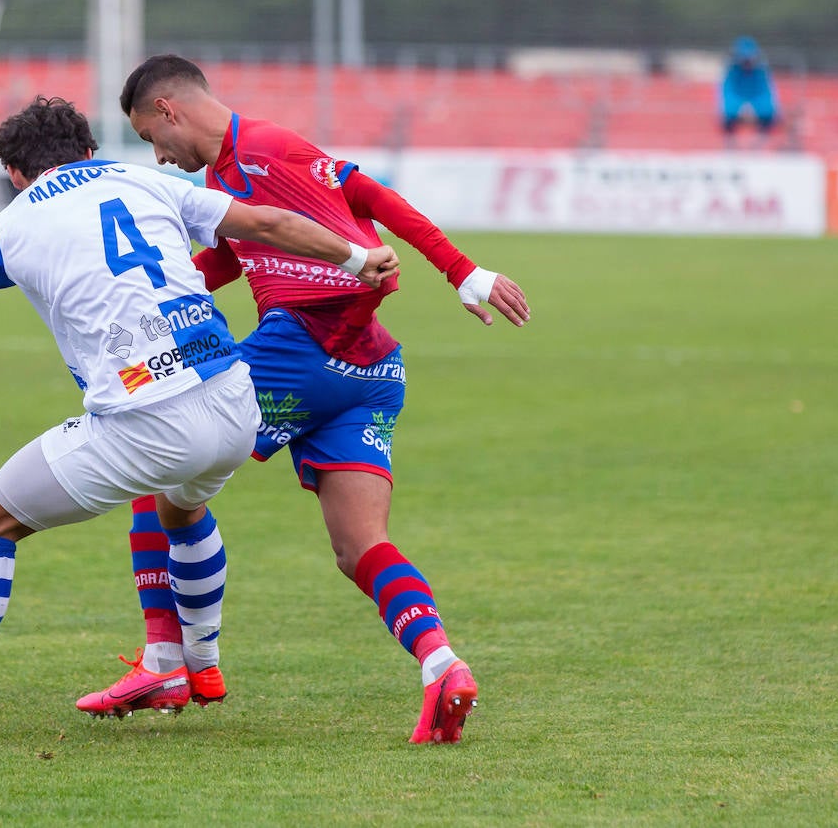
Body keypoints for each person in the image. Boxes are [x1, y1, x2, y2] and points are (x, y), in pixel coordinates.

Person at [0, 97, 399, 743]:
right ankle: (203, 662)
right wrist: (357, 258)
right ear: (86, 152)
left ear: (16, 174)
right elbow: (267, 221)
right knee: (181, 508)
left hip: (148, 420)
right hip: (234, 399)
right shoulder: (143, 178)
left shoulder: (11, 225)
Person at [75, 55, 531, 744]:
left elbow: (369, 198)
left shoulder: (262, 149)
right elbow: (236, 256)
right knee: (359, 547)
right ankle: (443, 665)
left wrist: (461, 270)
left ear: (169, 110)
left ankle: (167, 659)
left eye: (150, 138)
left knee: (156, 455)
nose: (161, 157)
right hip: (369, 370)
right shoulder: (235, 171)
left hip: (302, 347)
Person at [721, 36, 779, 148]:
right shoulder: (732, 72)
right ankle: (730, 146)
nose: (747, 61)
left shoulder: (761, 72)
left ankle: (758, 146)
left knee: (770, 116)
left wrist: (754, 107)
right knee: (726, 117)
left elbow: (766, 94)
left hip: (757, 106)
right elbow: (727, 93)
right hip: (737, 107)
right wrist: (740, 107)